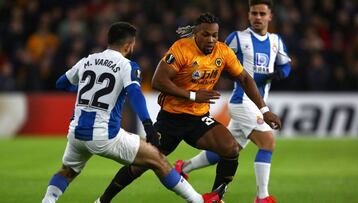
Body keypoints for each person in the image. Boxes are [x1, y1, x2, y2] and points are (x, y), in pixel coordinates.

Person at [96, 13, 282, 203]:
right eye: (206, 35)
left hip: (198, 119)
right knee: (139, 166)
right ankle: (102, 200)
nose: (211, 40)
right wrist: (193, 95)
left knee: (230, 148)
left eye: (215, 35)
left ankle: (216, 197)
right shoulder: (181, 49)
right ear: (195, 33)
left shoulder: (223, 52)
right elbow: (158, 81)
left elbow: (244, 78)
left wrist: (264, 111)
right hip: (171, 119)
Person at [41, 22, 226, 203]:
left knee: (67, 172)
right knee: (157, 159)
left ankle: (48, 201)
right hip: (105, 135)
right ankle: (198, 201)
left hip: (76, 134)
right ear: (129, 45)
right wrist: (148, 125)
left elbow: (60, 84)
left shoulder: (87, 61)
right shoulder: (126, 65)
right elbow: (136, 95)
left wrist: (82, 91)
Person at [175, 1, 292, 203]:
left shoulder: (275, 41)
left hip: (258, 101)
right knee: (268, 143)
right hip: (242, 101)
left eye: (262, 13)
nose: (258, 17)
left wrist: (279, 73)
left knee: (230, 149)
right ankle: (262, 197)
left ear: (270, 16)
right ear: (248, 15)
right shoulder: (238, 38)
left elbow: (286, 65)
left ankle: (183, 167)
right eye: (254, 13)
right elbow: (217, 59)